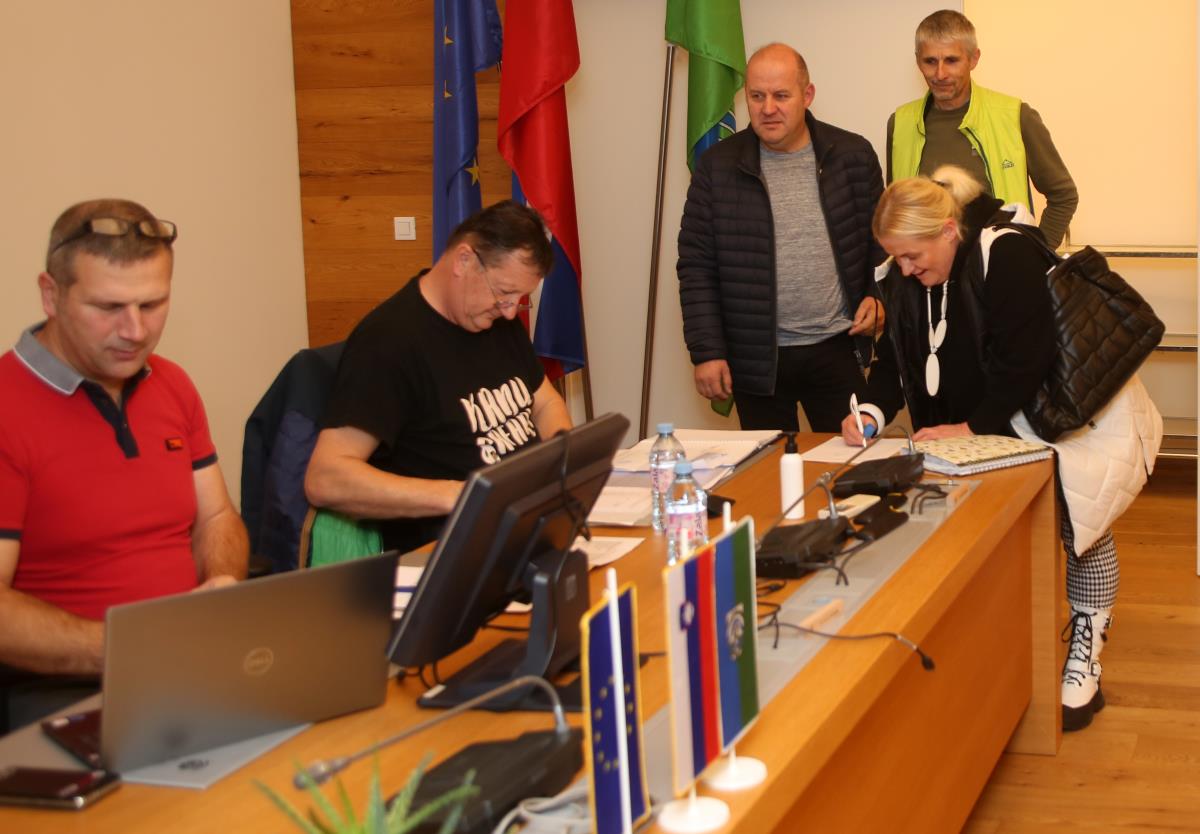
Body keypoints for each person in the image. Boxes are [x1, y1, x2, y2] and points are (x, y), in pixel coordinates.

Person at [845, 166, 1161, 731]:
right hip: (980, 429)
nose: (906, 269)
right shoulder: (906, 273)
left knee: (1081, 526)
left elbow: (1027, 359)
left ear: (948, 230)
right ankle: (1001, 658)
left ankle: (1086, 652)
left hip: (1057, 419)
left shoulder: (1005, 252)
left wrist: (973, 428)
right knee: (989, 537)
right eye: (896, 258)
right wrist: (869, 410)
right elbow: (895, 359)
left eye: (913, 256)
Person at [0, 199, 248, 729]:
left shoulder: (171, 384)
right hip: (68, 691)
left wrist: (222, 585)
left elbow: (216, 517)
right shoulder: (6, 406)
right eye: (109, 307)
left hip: (188, 663)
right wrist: (133, 648)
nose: (135, 330)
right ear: (51, 294)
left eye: (152, 304)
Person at [305, 200, 572, 554]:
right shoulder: (388, 342)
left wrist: (563, 458)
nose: (510, 312)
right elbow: (325, 478)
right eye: (504, 293)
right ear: (464, 260)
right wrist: (459, 495)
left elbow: (545, 402)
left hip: (525, 527)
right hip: (451, 549)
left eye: (519, 299)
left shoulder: (495, 321)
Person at [677, 42, 885, 432]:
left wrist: (879, 296)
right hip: (756, 359)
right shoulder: (716, 167)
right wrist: (706, 351)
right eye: (757, 96)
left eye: (781, 96)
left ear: (807, 95)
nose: (768, 108)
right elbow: (696, 266)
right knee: (768, 466)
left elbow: (883, 241)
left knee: (853, 460)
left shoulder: (853, 156)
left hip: (838, 347)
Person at [887, 10, 1078, 248]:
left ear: (973, 59)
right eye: (930, 61)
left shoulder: (1016, 116)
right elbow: (896, 210)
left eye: (951, 60)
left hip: (1000, 267)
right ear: (918, 61)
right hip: (922, 270)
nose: (940, 74)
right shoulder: (900, 123)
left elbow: (1063, 195)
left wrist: (1035, 256)